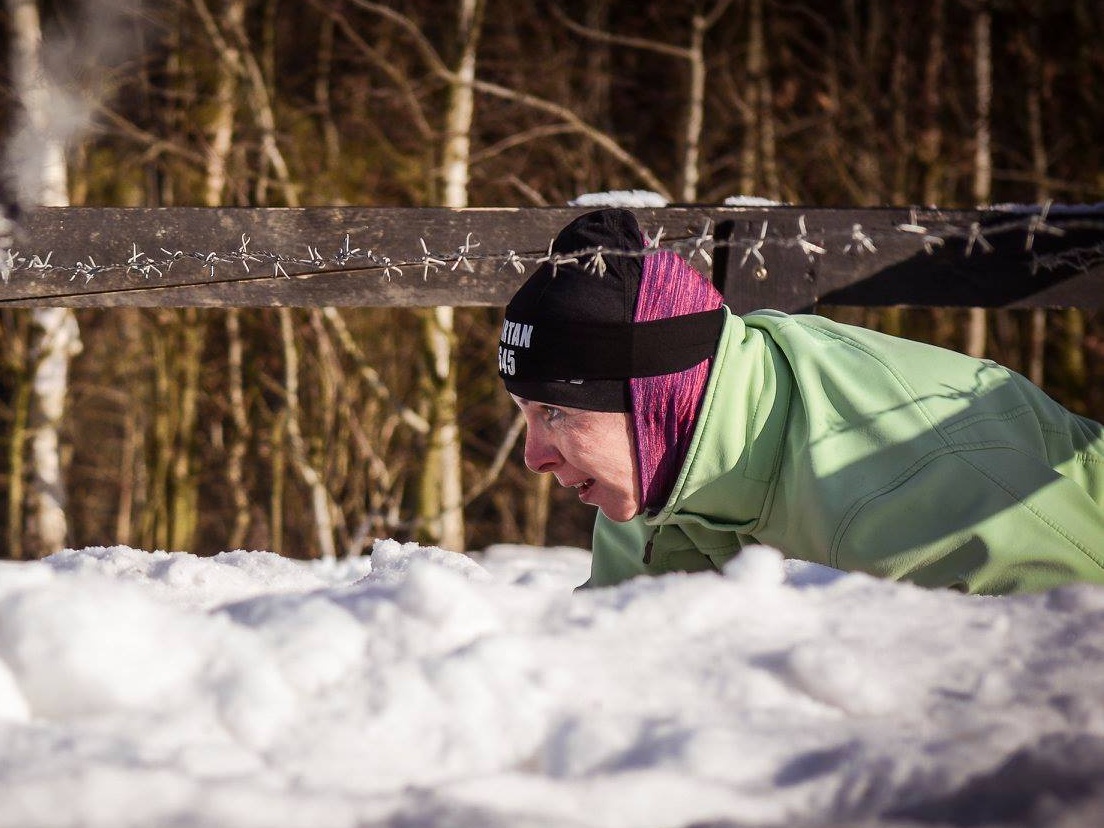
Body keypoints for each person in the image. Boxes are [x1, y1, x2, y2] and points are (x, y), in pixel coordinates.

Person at [497, 207, 1104, 594]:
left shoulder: (889, 477)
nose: (533, 457)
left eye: (555, 411)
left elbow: (1069, 652)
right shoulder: (657, 469)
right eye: (527, 413)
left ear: (657, 397)